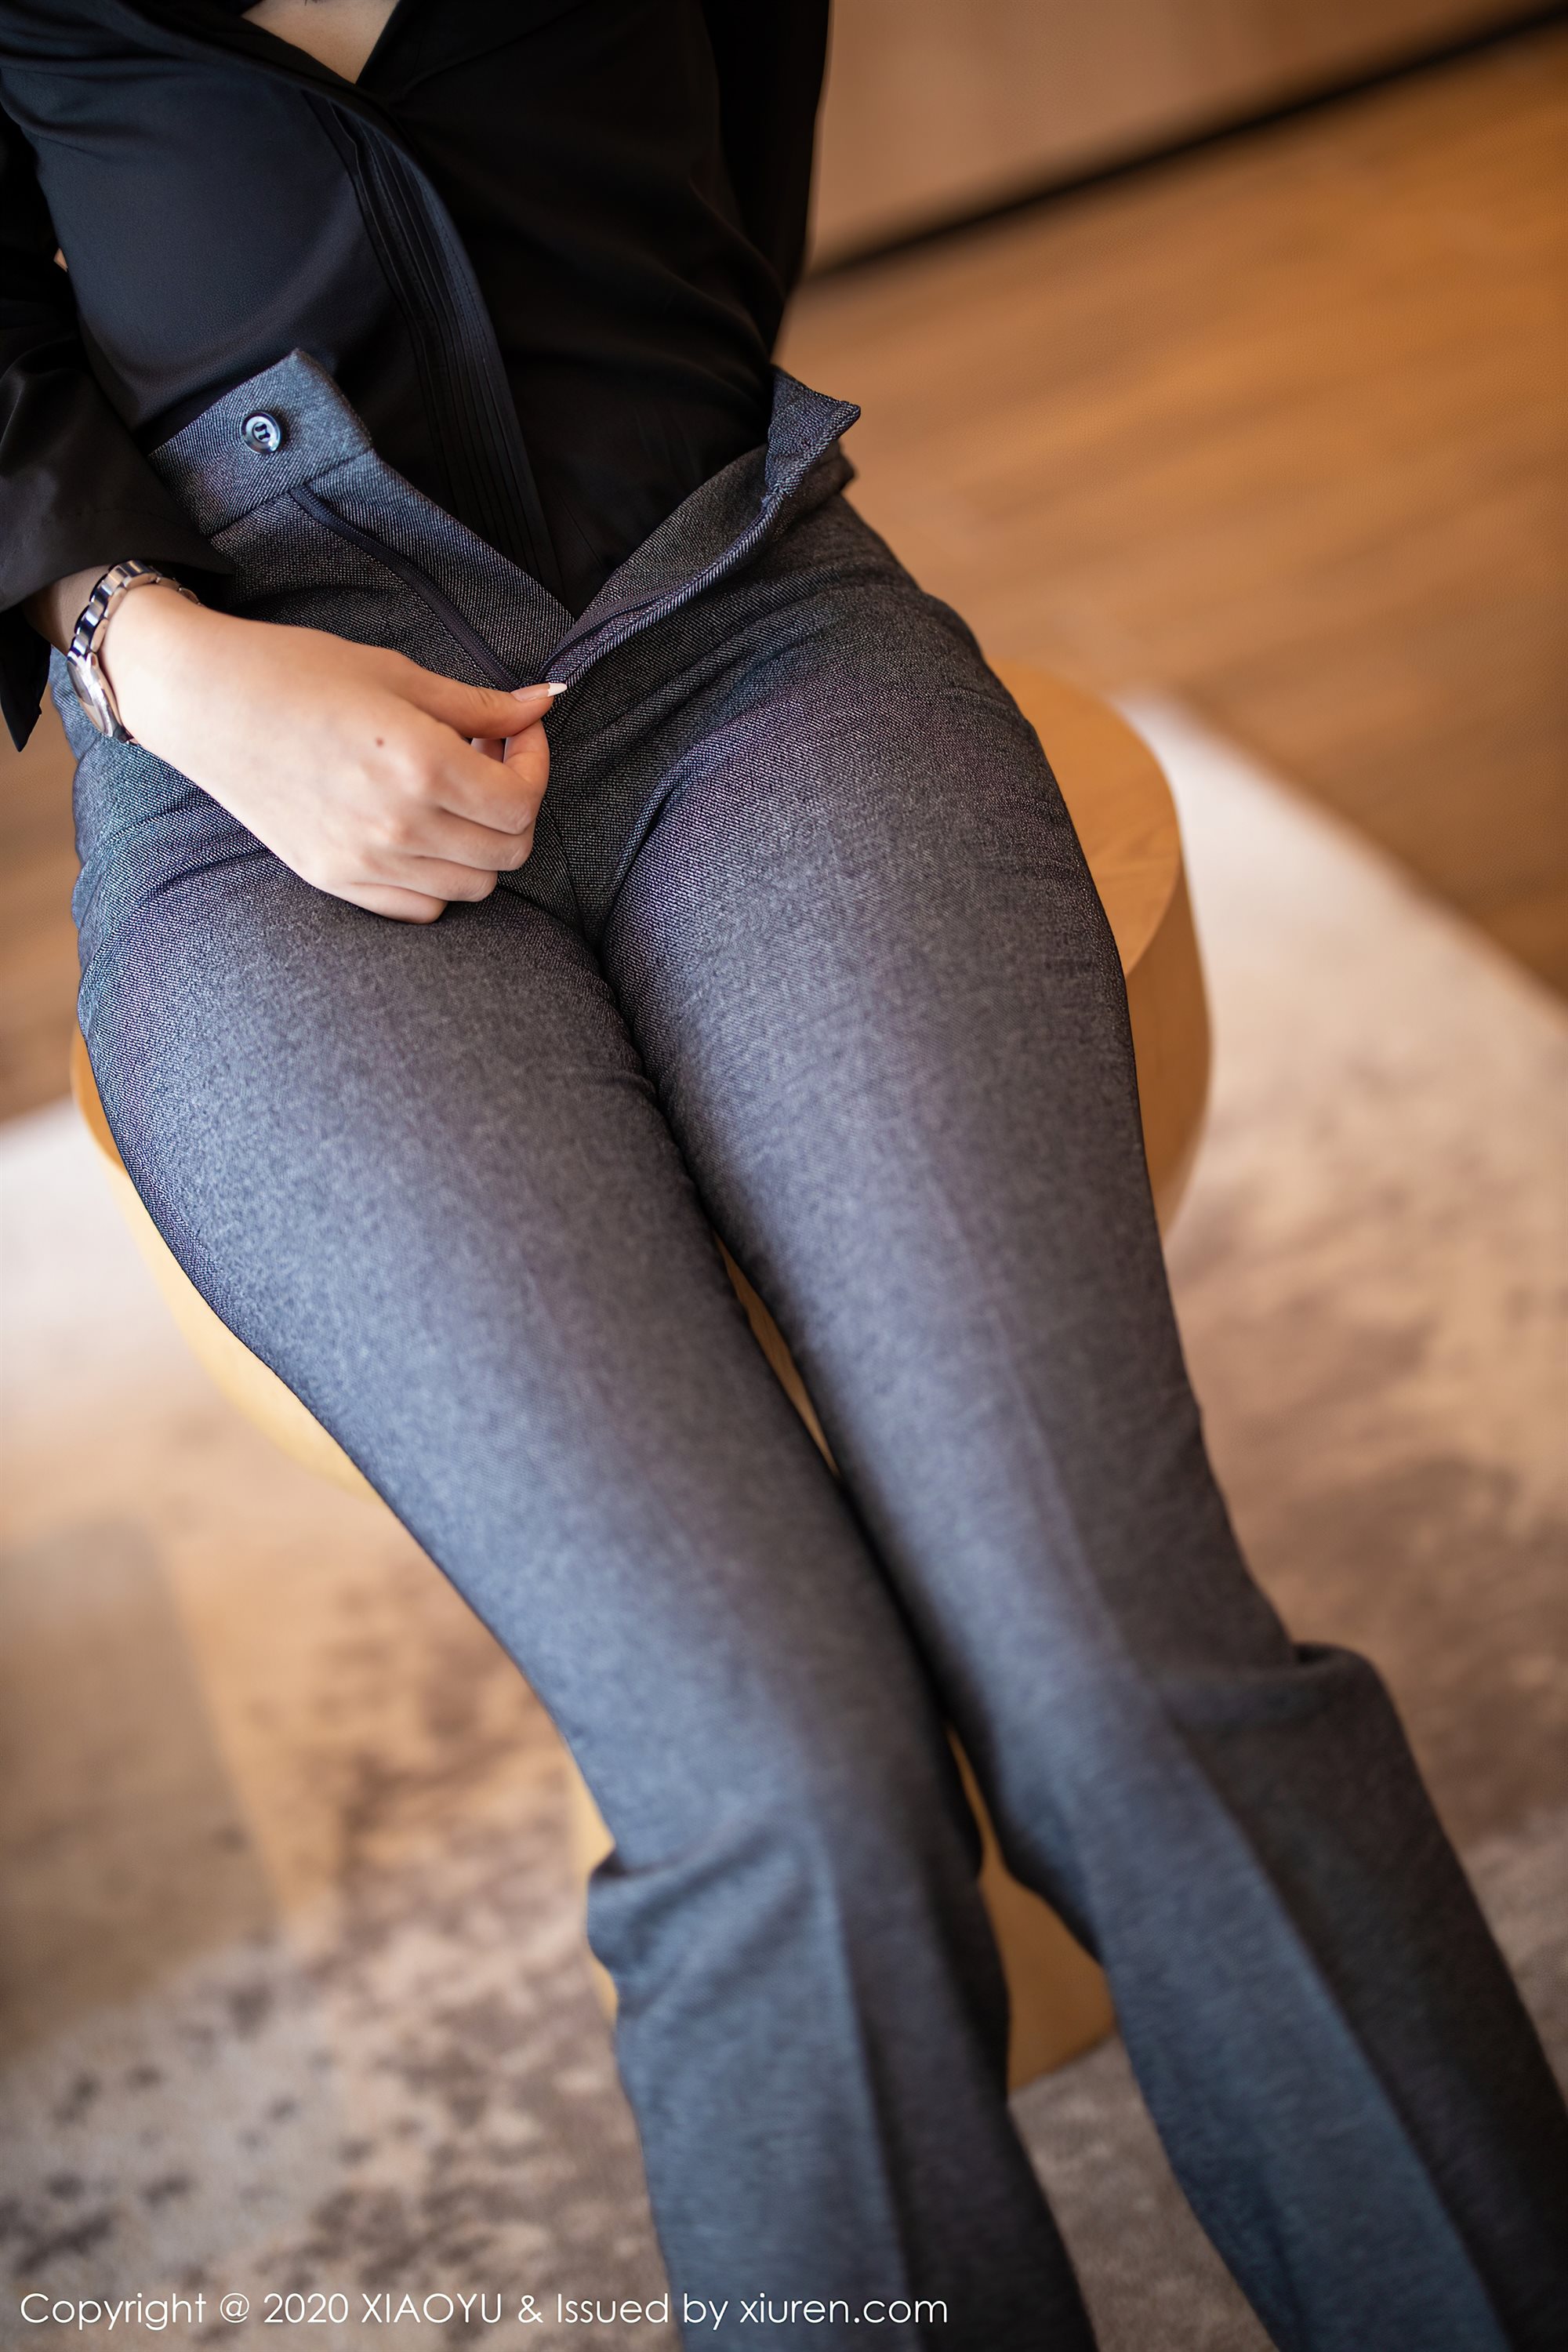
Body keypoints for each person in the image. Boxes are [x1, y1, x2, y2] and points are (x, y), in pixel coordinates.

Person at [4, 4, 1565, 2346]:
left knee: (1121, 1670)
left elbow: (736, 178)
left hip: (741, 636)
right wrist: (168, 660)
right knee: (783, 1792)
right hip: (248, 777)